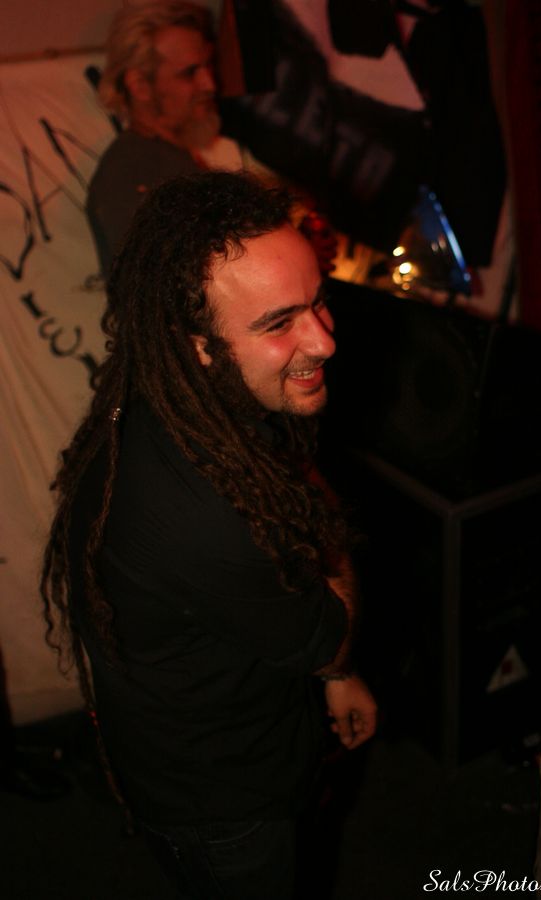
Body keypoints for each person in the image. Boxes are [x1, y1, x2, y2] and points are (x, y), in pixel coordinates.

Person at [42, 170, 377, 900]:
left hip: (207, 746)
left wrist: (332, 682)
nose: (323, 340)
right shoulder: (205, 516)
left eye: (319, 301)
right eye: (278, 323)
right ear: (195, 345)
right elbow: (329, 632)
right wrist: (324, 541)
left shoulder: (182, 401)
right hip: (229, 813)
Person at [87, 0, 337, 280]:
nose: (209, 84)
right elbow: (186, 289)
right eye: (189, 73)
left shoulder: (173, 158)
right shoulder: (131, 173)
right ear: (140, 86)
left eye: (208, 66)